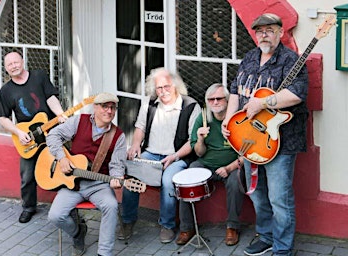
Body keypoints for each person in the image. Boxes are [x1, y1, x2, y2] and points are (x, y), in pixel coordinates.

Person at [221, 13, 308, 256]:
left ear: (280, 32)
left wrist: (264, 103)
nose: (264, 35)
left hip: (281, 142)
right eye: (259, 31)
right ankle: (266, 236)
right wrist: (228, 118)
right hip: (249, 138)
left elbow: (298, 93)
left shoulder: (291, 60)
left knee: (280, 198)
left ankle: (282, 247)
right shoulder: (249, 58)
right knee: (257, 193)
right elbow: (235, 90)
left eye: (269, 30)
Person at [119, 67, 201, 243]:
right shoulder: (149, 103)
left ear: (175, 85)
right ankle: (127, 220)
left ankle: (167, 225)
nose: (163, 92)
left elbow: (192, 141)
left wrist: (175, 156)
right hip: (151, 153)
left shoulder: (190, 106)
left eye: (167, 87)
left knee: (168, 181)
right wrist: (135, 145)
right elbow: (140, 127)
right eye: (159, 88)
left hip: (177, 156)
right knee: (131, 177)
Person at [46, 92, 126, 256]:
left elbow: (117, 165)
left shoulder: (118, 136)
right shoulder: (78, 121)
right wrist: (61, 158)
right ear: (95, 108)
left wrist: (117, 178)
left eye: (112, 108)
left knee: (111, 206)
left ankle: (104, 252)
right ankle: (78, 232)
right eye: (105, 107)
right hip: (72, 184)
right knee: (55, 216)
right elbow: (53, 135)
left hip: (99, 185)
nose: (109, 111)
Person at [0, 51, 67, 223]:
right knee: (27, 176)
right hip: (28, 139)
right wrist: (18, 132)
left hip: (50, 133)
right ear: (6, 69)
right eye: (9, 65)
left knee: (63, 167)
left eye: (16, 62)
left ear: (23, 61)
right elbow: (3, 118)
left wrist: (60, 114)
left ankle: (67, 205)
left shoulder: (39, 76)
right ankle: (28, 207)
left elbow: (51, 97)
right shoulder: (5, 91)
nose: (14, 66)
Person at [177, 83, 244, 246]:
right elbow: (199, 153)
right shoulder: (204, 117)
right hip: (206, 163)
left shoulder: (238, 119)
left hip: (231, 165)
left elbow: (247, 154)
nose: (214, 102)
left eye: (219, 98)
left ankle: (232, 227)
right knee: (187, 177)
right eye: (211, 99)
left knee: (235, 182)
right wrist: (200, 138)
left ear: (228, 101)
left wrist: (229, 168)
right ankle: (187, 227)